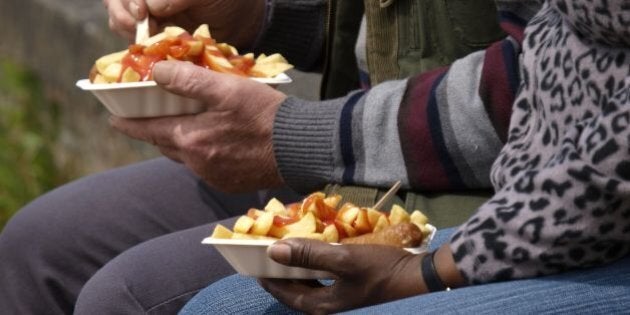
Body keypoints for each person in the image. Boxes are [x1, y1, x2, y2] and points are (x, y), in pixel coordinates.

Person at [0, 0, 627, 314]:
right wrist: (255, 16)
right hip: (356, 149)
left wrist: (301, 137)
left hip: (483, 191)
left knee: (135, 297)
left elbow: (539, 89)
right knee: (40, 243)